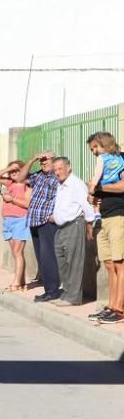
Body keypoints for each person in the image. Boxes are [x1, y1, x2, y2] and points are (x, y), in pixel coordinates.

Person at [86, 132, 124, 323]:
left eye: (95, 147)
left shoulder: (121, 159)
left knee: (119, 264)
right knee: (109, 265)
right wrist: (91, 196)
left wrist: (99, 188)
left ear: (104, 143)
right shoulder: (101, 163)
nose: (93, 152)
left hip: (119, 216)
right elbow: (93, 193)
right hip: (103, 217)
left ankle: (119, 309)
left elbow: (122, 186)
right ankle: (111, 306)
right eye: (91, 149)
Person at [49, 157, 96, 306]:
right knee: (62, 261)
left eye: (60, 168)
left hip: (74, 225)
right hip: (61, 228)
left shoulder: (76, 184)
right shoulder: (60, 185)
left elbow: (86, 205)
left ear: (68, 167)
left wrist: (89, 225)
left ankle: (74, 297)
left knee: (74, 261)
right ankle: (68, 292)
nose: (57, 172)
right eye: (54, 169)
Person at [23, 151, 61, 301]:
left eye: (47, 160)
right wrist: (32, 158)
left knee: (48, 257)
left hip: (46, 222)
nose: (43, 163)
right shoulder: (38, 175)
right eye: (42, 161)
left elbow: (64, 197)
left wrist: (55, 215)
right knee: (40, 258)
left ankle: (52, 290)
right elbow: (21, 178)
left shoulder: (57, 177)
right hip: (34, 221)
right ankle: (48, 289)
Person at [0, 161, 31, 291]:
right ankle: (21, 281)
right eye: (12, 171)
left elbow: (27, 204)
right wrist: (8, 168)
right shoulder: (10, 183)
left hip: (20, 220)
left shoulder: (27, 185)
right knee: (16, 254)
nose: (14, 173)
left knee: (17, 252)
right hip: (8, 221)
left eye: (17, 170)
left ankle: (16, 283)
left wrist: (12, 199)